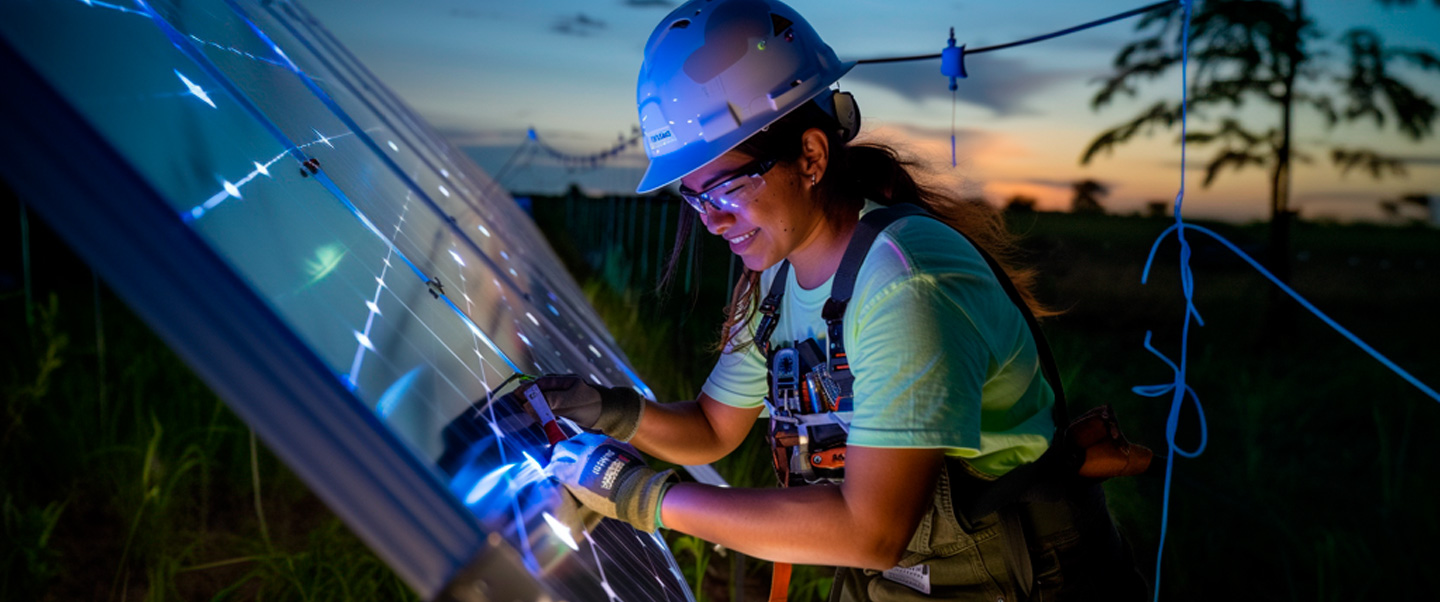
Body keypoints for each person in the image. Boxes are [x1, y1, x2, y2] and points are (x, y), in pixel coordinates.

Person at [538, 0, 1147, 599]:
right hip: (901, 577)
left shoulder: (907, 285)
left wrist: (647, 498)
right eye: (694, 197)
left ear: (811, 156)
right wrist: (605, 410)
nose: (712, 221)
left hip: (1020, 578)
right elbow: (712, 427)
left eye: (726, 187)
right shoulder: (775, 281)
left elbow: (871, 529)